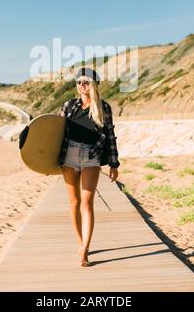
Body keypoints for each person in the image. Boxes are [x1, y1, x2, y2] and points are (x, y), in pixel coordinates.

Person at [58, 67, 120, 267]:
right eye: (78, 82)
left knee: (87, 202)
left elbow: (110, 135)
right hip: (69, 155)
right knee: (74, 202)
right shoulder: (69, 105)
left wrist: (113, 163)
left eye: (85, 82)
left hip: (91, 156)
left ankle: (84, 248)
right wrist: (47, 162)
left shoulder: (104, 108)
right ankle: (79, 242)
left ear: (93, 84)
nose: (81, 85)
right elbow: (56, 132)